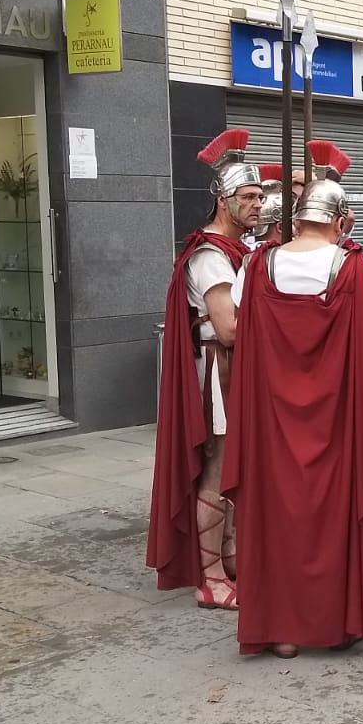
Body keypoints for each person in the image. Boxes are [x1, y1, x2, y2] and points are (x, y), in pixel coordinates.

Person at [223, 140, 363, 657]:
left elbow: (238, 330)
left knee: (279, 516)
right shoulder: (355, 268)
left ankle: (282, 631)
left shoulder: (256, 267)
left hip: (275, 420)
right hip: (338, 420)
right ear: (340, 220)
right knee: (334, 518)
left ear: (297, 218)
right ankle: (336, 621)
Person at [148, 129, 263, 610]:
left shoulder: (240, 249)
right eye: (248, 196)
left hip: (233, 368)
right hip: (219, 370)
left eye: (259, 196)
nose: (258, 204)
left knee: (233, 467)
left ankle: (230, 556)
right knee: (215, 470)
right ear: (223, 200)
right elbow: (230, 329)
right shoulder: (213, 256)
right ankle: (211, 576)